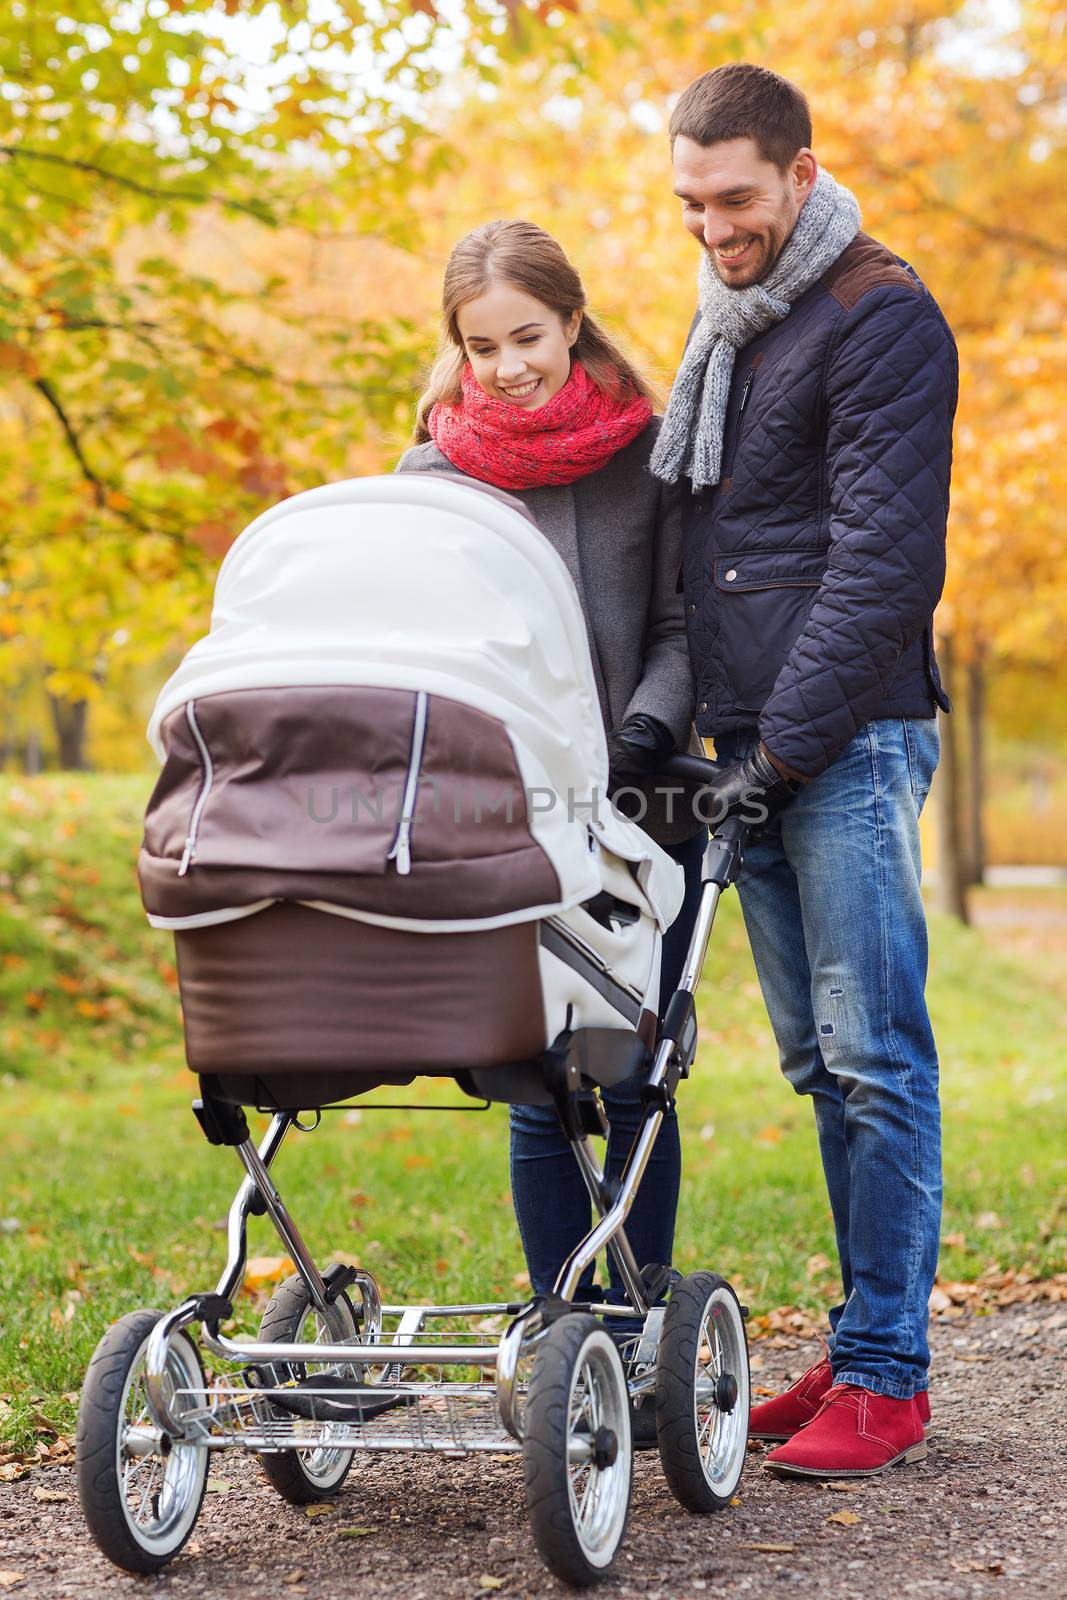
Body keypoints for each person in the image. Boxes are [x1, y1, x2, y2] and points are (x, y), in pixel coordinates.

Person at [653, 64, 958, 1478]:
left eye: (732, 199)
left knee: (875, 1058)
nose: (710, 228)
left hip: (836, 738)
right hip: (748, 741)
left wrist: (773, 755)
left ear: (796, 173)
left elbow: (881, 567)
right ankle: (857, 1338)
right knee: (815, 1070)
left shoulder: (875, 315)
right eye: (688, 203)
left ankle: (888, 1376)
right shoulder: (734, 327)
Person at [395, 219, 706, 1327]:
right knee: (535, 1079)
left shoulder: (651, 455)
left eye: (527, 335)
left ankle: (636, 1316)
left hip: (640, 800)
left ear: (571, 322)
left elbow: (680, 624)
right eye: (482, 346)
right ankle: (558, 1319)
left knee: (631, 1072)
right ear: (458, 350)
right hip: (505, 816)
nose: (509, 365)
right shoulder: (429, 474)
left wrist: (642, 724)